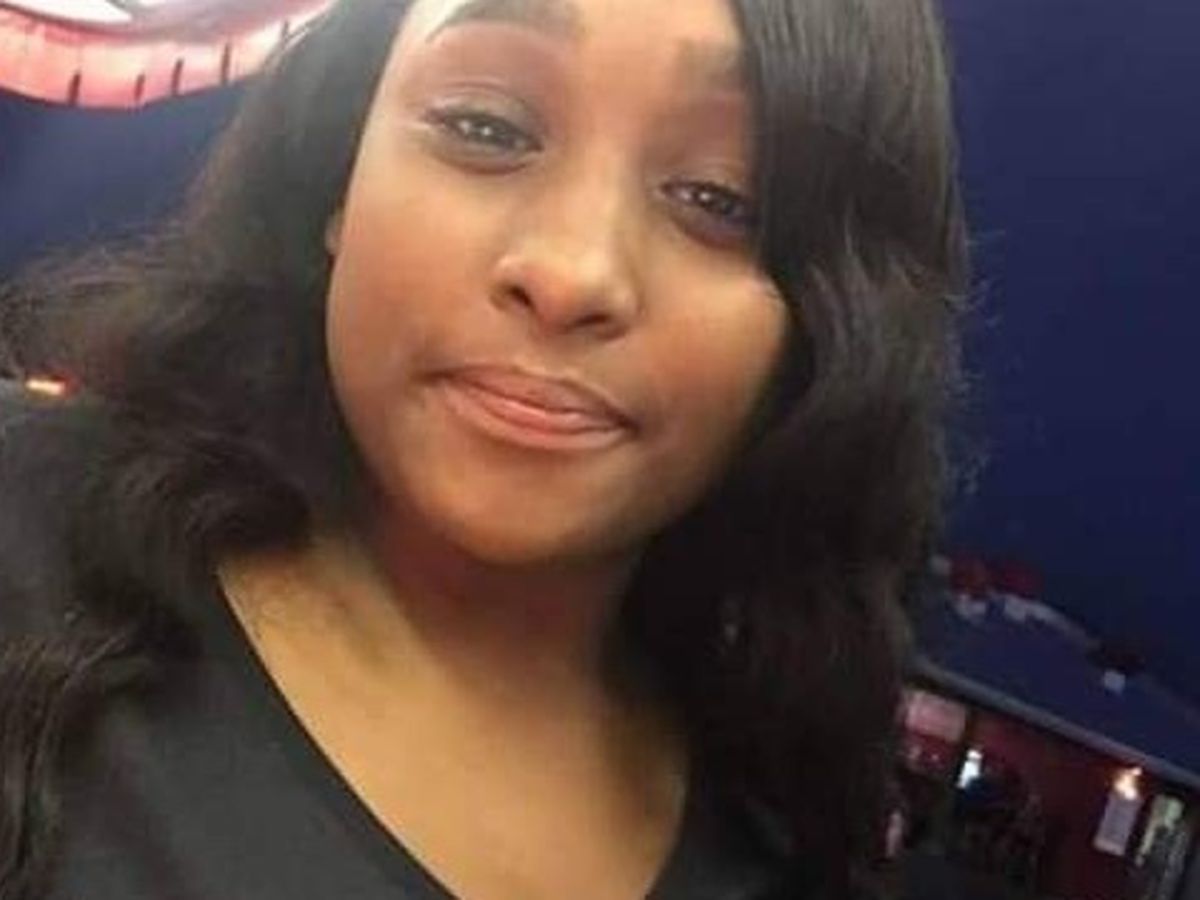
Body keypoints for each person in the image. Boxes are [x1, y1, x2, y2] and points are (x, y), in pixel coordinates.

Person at [0, 0, 967, 898]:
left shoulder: (773, 852)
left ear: (825, 320)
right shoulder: (25, 526)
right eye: (487, 128)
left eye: (719, 198)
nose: (570, 272)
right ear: (340, 173)